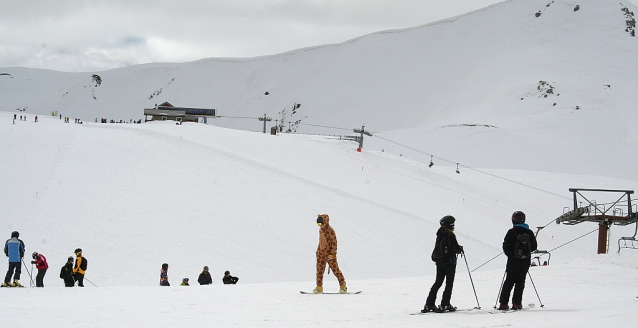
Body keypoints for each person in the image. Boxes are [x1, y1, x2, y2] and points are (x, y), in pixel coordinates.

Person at [422, 215, 464, 313]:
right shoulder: (450, 235)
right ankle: (445, 304)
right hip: (449, 263)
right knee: (449, 284)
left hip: (439, 261)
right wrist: (460, 249)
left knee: (438, 282)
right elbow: (456, 249)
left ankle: (429, 304)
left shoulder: (440, 233)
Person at [498, 211, 538, 310]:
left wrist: (511, 255)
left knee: (509, 281)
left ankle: (503, 303)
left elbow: (505, 246)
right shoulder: (529, 232)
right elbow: (534, 247)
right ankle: (517, 303)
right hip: (525, 261)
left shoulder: (511, 232)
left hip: (512, 261)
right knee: (520, 282)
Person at [313, 214, 347, 294]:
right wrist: (318, 251)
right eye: (318, 224)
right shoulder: (321, 230)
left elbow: (334, 243)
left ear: (325, 222)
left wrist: (332, 253)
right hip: (321, 254)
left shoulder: (330, 231)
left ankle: (343, 286)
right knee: (319, 271)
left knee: (335, 270)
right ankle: (319, 287)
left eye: (320, 224)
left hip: (329, 255)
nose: (320, 226)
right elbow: (321, 241)